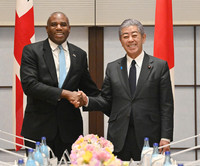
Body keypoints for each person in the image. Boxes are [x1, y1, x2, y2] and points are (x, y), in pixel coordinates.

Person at [78, 19, 174, 161]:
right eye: (125, 36)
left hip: (149, 137)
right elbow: (106, 101)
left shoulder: (159, 66)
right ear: (121, 40)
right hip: (118, 138)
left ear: (143, 37)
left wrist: (165, 137)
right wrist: (87, 101)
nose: (130, 40)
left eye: (134, 35)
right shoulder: (113, 67)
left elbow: (166, 105)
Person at [20, 11, 100, 160]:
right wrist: (66, 94)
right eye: (54, 24)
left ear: (69, 28)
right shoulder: (32, 51)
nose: (58, 27)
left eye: (63, 24)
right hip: (38, 130)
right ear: (46, 28)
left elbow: (90, 89)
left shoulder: (80, 54)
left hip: (70, 132)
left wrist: (89, 99)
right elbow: (30, 86)